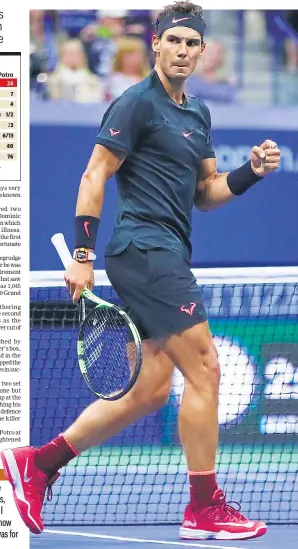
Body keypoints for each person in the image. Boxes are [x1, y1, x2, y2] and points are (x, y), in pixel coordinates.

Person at [1, 1, 280, 541]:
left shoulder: (197, 115)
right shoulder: (135, 103)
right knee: (205, 368)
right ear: (155, 44)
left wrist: (251, 172)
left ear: (201, 51)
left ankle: (37, 463)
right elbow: (93, 175)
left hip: (168, 251)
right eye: (173, 40)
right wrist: (82, 255)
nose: (181, 50)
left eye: (191, 43)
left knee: (149, 392)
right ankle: (203, 507)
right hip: (144, 250)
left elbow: (206, 194)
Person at [46, 39, 105, 103]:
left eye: (76, 53)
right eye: (69, 53)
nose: (73, 57)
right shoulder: (53, 81)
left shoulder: (93, 81)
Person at [107, 36, 151, 100]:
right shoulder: (115, 80)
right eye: (129, 55)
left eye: (137, 55)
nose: (133, 59)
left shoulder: (151, 78)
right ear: (120, 58)